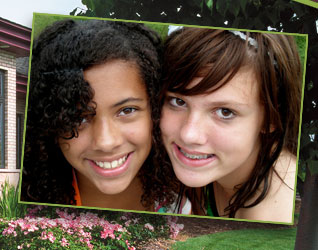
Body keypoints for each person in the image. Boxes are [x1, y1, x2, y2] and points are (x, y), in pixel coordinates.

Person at [21, 18, 182, 212]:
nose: (106, 142)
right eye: (79, 117)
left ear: (155, 111)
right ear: (51, 123)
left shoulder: (193, 199)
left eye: (127, 110)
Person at [159, 27, 302, 222]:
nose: (189, 135)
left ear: (272, 118)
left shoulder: (271, 217)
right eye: (178, 101)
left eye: (225, 112)